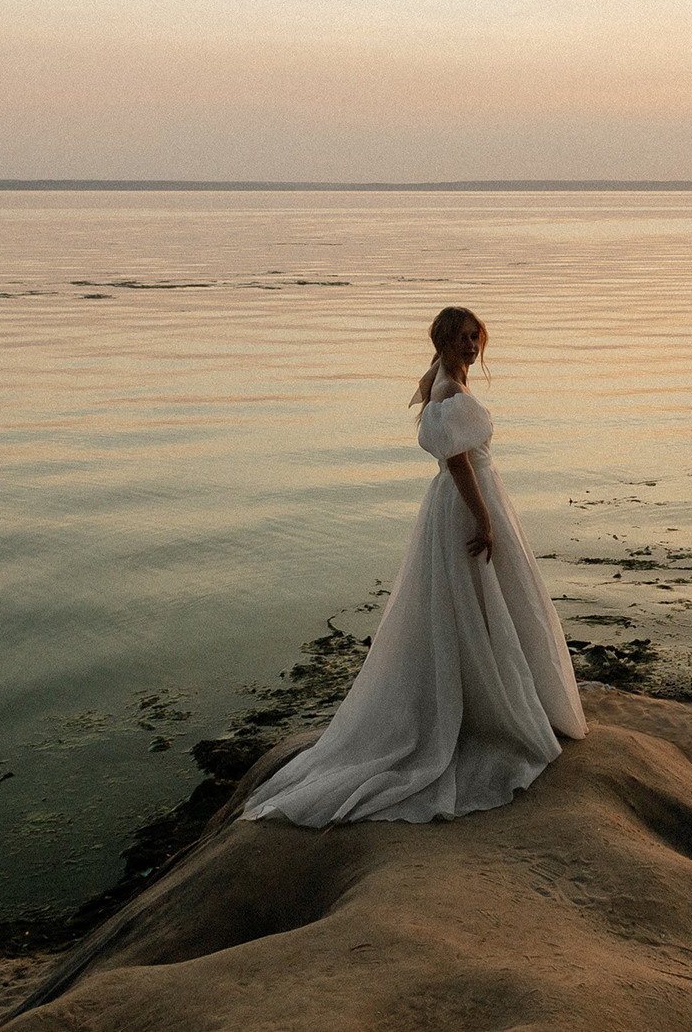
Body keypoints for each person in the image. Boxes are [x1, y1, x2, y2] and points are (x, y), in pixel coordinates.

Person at [239, 307, 587, 827]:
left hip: (457, 501)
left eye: (475, 336)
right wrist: (484, 518)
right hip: (469, 501)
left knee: (480, 601)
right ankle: (491, 710)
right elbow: (459, 462)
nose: (471, 345)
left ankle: (494, 697)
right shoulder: (448, 391)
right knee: (482, 598)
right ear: (442, 340)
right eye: (461, 337)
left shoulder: (441, 378)